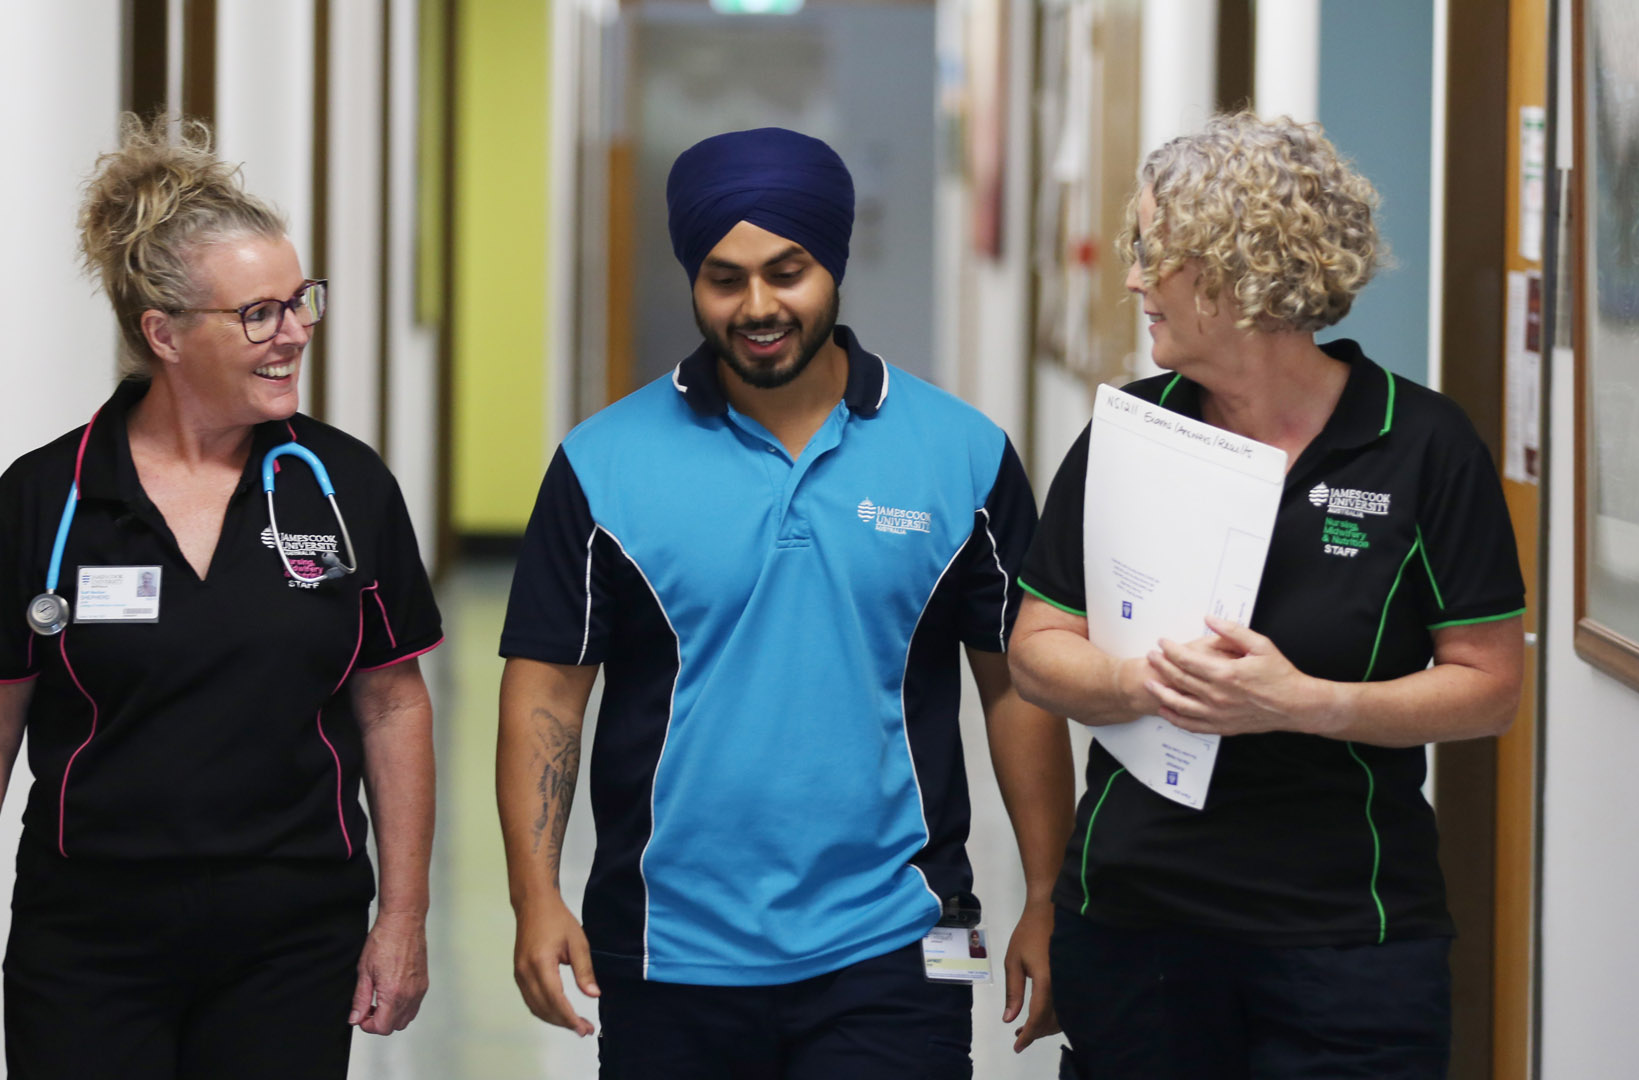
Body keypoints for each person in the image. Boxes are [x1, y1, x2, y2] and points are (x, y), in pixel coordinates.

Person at [496, 127, 1076, 1078]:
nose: (758, 306)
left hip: (899, 937)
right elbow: (548, 691)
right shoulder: (602, 464)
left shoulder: (963, 454)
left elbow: (1018, 687)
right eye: (725, 278)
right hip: (669, 943)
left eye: (787, 271)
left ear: (833, 266)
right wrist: (534, 894)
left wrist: (1046, 897)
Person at [0, 116, 441, 1080]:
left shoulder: (342, 485)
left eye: (299, 301)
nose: (295, 332)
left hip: (294, 930)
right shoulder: (50, 499)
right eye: (259, 313)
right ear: (162, 333)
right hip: (89, 941)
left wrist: (402, 917)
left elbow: (394, 701)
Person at [1007, 112, 1526, 1079]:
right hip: (1136, 923)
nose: (1131, 280)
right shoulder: (1131, 434)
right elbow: (1037, 644)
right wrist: (1141, 686)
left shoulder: (1421, 445)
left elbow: (1490, 686)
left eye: (1153, 252)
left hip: (1346, 938)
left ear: (1239, 268)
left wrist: (1308, 704)